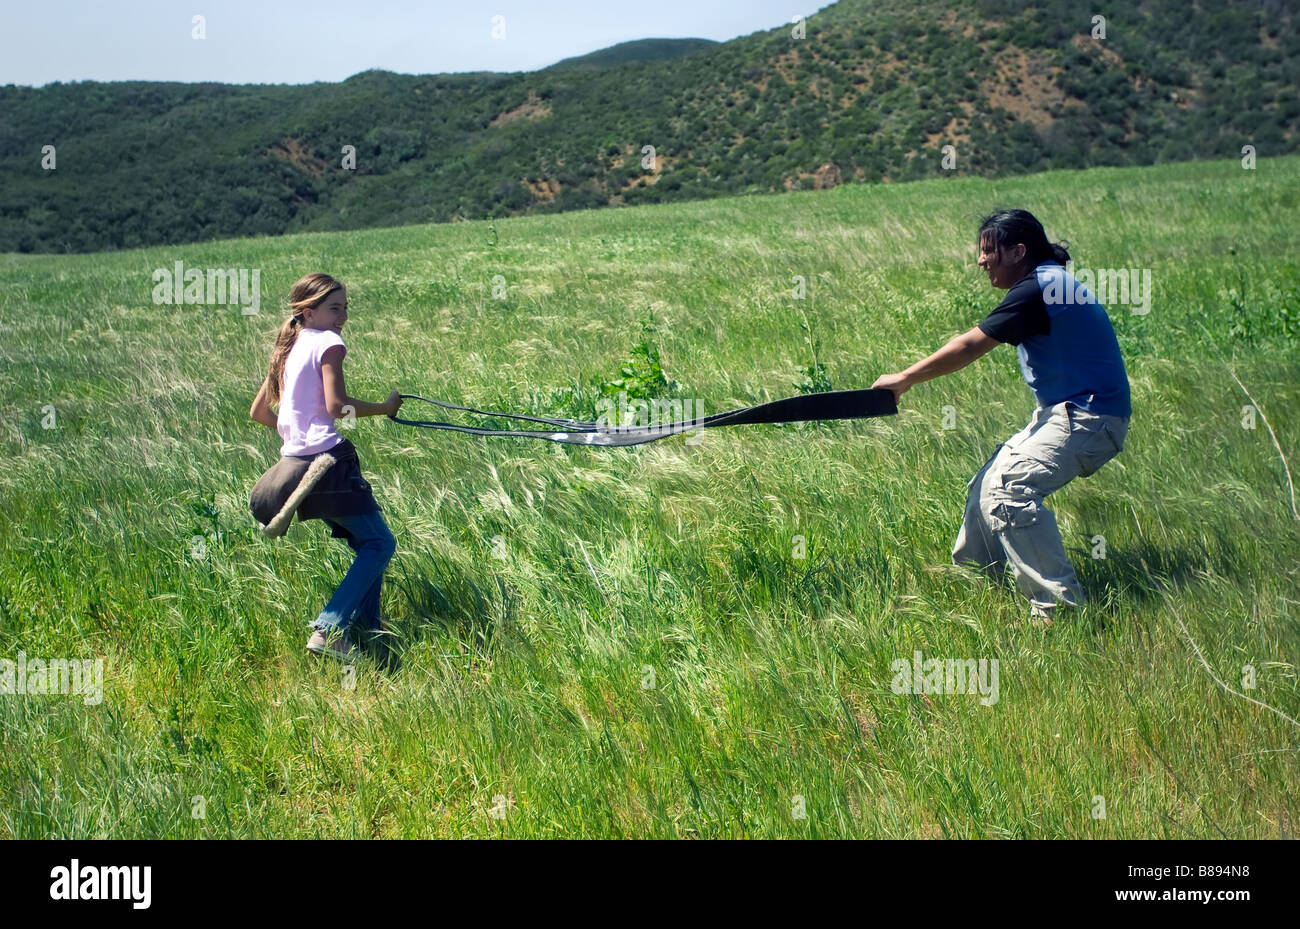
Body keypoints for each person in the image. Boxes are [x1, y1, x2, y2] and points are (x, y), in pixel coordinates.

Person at [872, 209, 1131, 624]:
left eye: (989, 251)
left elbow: (970, 345)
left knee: (1009, 488)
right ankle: (978, 584)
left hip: (1088, 417)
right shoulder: (1050, 283)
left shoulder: (1041, 289)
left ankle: (1059, 612)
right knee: (985, 487)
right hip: (1072, 413)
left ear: (1018, 251)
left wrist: (904, 378)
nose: (981, 261)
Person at [249, 273, 404, 658]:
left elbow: (259, 412)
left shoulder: (289, 344)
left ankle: (372, 635)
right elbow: (337, 408)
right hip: (329, 465)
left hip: (296, 465)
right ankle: (330, 628)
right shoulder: (329, 343)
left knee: (367, 543)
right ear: (309, 310)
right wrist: (384, 409)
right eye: (335, 308)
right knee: (380, 543)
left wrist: (296, 434)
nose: (343, 316)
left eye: (346, 307)